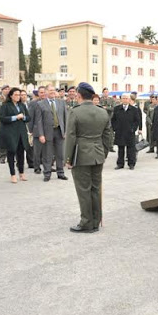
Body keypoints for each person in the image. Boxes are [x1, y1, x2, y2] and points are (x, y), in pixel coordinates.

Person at [64, 82, 112, 233]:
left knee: (84, 190)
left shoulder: (75, 112)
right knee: (96, 188)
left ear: (79, 95)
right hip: (98, 154)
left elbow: (70, 137)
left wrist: (67, 159)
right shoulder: (102, 112)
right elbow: (108, 135)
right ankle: (96, 221)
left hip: (81, 155)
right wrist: (103, 153)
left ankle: (86, 223)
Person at [32, 85, 68, 181]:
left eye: (54, 90)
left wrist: (65, 131)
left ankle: (60, 173)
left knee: (60, 154)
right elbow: (38, 121)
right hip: (47, 132)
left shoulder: (61, 102)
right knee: (47, 154)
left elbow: (65, 118)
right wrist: (41, 134)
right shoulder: (40, 104)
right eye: (50, 90)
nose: (53, 92)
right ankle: (47, 174)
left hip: (59, 131)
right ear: (46, 92)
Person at [0, 87, 31, 183]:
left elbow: (28, 117)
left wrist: (23, 117)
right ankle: (13, 174)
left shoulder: (22, 105)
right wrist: (15, 117)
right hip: (10, 132)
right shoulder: (6, 105)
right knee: (11, 153)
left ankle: (21, 172)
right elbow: (2, 118)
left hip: (21, 132)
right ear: (11, 96)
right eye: (16, 95)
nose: (18, 97)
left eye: (19, 95)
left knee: (21, 153)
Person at [111, 93, 141, 170]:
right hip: (120, 132)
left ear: (129, 99)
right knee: (120, 148)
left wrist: (133, 129)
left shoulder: (134, 109)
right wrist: (115, 128)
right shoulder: (117, 108)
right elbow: (113, 120)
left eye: (126, 98)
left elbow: (137, 120)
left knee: (131, 149)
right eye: (123, 98)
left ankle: (131, 164)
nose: (125, 100)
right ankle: (120, 164)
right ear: (121, 99)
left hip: (130, 132)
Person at [30, 86, 46, 174]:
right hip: (37, 130)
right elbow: (31, 117)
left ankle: (47, 166)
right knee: (37, 150)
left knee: (47, 150)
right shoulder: (33, 103)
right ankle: (36, 167)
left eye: (44, 92)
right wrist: (31, 129)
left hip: (47, 130)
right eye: (41, 92)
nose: (43, 94)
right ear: (38, 94)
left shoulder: (49, 102)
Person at [20, 90, 34, 169]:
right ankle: (20, 162)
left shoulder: (30, 104)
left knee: (30, 145)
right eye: (21, 95)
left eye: (25, 95)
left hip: (29, 127)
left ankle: (31, 162)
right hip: (21, 127)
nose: (23, 96)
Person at [100, 88, 116, 152]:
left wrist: (106, 108)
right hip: (101, 118)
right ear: (103, 93)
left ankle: (110, 146)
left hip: (110, 118)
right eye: (104, 92)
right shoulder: (100, 100)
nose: (106, 93)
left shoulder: (111, 100)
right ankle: (102, 146)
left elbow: (113, 108)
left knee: (111, 133)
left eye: (107, 92)